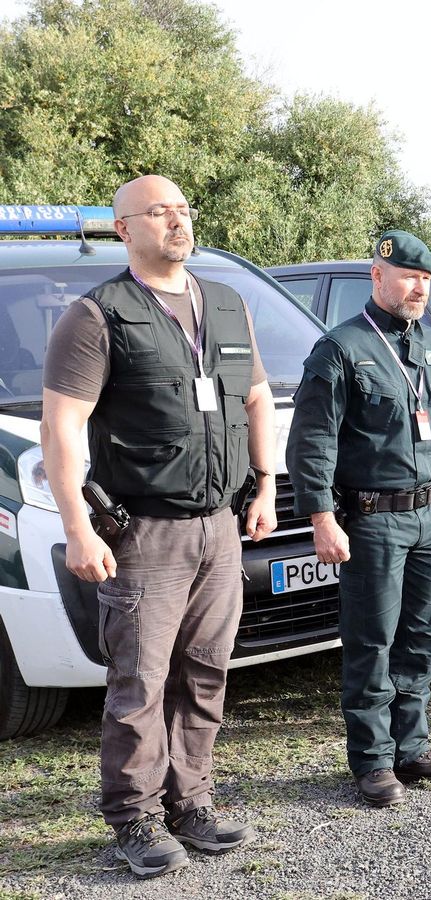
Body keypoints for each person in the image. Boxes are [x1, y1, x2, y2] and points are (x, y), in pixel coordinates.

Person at [39, 175, 277, 877]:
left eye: (183, 209)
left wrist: (265, 485)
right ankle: (134, 816)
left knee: (205, 672)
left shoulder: (227, 304)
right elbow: (61, 426)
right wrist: (78, 527)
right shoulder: (97, 315)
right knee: (140, 681)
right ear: (124, 228)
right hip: (144, 532)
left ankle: (191, 801)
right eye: (159, 212)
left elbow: (257, 398)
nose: (177, 221)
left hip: (220, 526)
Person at [287, 230, 431, 807]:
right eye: (408, 277)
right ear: (377, 276)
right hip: (372, 520)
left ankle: (411, 747)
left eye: (426, 279)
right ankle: (373, 760)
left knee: (425, 635)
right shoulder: (342, 348)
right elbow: (313, 442)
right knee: (372, 639)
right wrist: (322, 517)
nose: (419, 288)